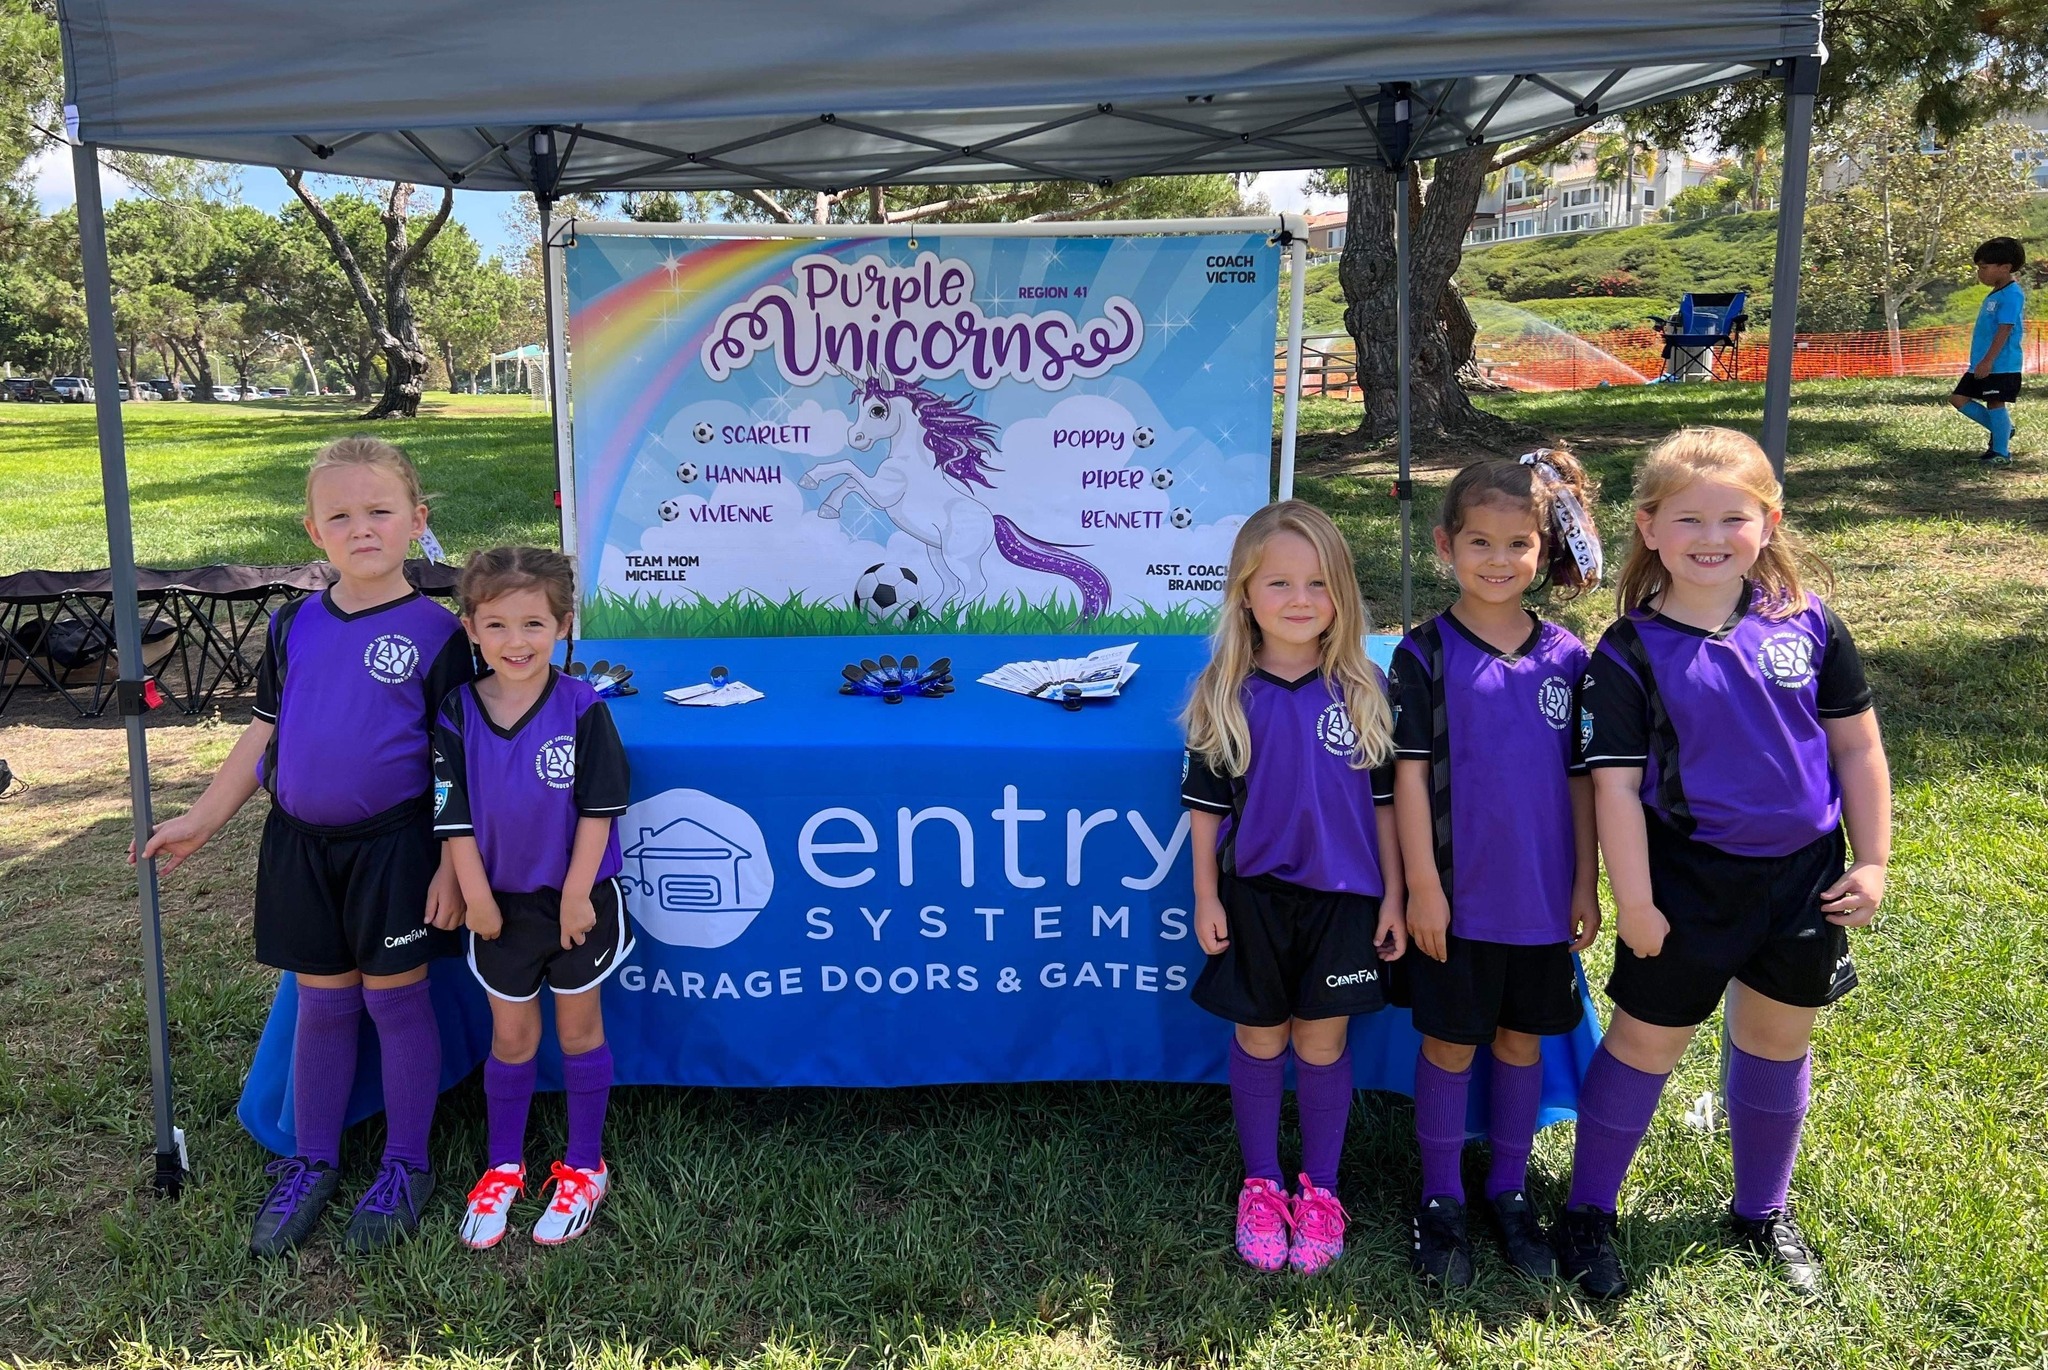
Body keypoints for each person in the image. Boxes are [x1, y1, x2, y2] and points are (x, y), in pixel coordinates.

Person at [1560, 427, 1890, 1299]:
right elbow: (1617, 793)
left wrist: (1876, 862)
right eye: (1689, 518)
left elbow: (1857, 749)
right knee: (1645, 1043)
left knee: (1777, 1041)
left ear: (1769, 520)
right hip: (1685, 885)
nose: (1712, 536)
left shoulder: (1811, 623)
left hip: (1804, 880)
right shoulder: (1627, 653)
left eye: (1733, 517)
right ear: (1649, 527)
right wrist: (1634, 901)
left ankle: (1760, 1212)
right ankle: (1588, 1210)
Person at [138, 436, 472, 1255]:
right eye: (341, 516)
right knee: (323, 1004)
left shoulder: (441, 635)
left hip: (395, 848)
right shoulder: (293, 625)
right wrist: (203, 818)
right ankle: (311, 1159)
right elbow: (264, 735)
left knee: (395, 1002)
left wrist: (454, 868)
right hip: (299, 847)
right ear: (313, 530)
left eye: (380, 511)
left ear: (416, 520)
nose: (362, 528)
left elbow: (458, 762)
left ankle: (405, 1163)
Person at [1387, 450, 1604, 1288]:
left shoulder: (1569, 659)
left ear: (1545, 550)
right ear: (1446, 544)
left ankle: (1507, 1189)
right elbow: (1407, 779)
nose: (1499, 560)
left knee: (1519, 1045)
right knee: (1450, 1045)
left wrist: (1586, 885)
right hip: (1455, 903)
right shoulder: (1422, 656)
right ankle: (1440, 1197)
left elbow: (1585, 785)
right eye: (1480, 542)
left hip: (1543, 903)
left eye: (1519, 543)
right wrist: (1422, 888)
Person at [1180, 500, 1406, 1275]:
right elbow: (1205, 809)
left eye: (1317, 583)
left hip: (1345, 903)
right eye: (1278, 583)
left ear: (1342, 592)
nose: (1300, 600)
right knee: (1259, 1037)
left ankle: (1321, 1189)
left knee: (1321, 1041)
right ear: (1245, 593)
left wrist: (1395, 896)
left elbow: (1385, 809)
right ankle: (1261, 1182)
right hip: (1254, 899)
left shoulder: (1365, 686)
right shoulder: (1223, 689)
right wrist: (1207, 895)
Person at [435, 547, 633, 1248]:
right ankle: (504, 1165)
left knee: (579, 1031)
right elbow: (451, 813)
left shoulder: (583, 707)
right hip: (499, 909)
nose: (515, 642)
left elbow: (599, 809)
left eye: (533, 624)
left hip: (575, 903)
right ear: (471, 630)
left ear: (563, 625)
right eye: (497, 626)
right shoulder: (457, 711)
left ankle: (584, 1165)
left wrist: (579, 894)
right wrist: (475, 895)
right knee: (513, 1038)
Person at [1948, 237, 2027, 465]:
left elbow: (2005, 329)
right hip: (1981, 363)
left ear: (2005, 268)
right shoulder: (1996, 293)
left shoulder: (2012, 294)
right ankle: (2003, 429)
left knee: (1995, 403)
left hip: (2000, 364)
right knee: (1958, 399)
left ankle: (2001, 453)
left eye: (1984, 268)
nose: (1979, 273)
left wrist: (1989, 361)